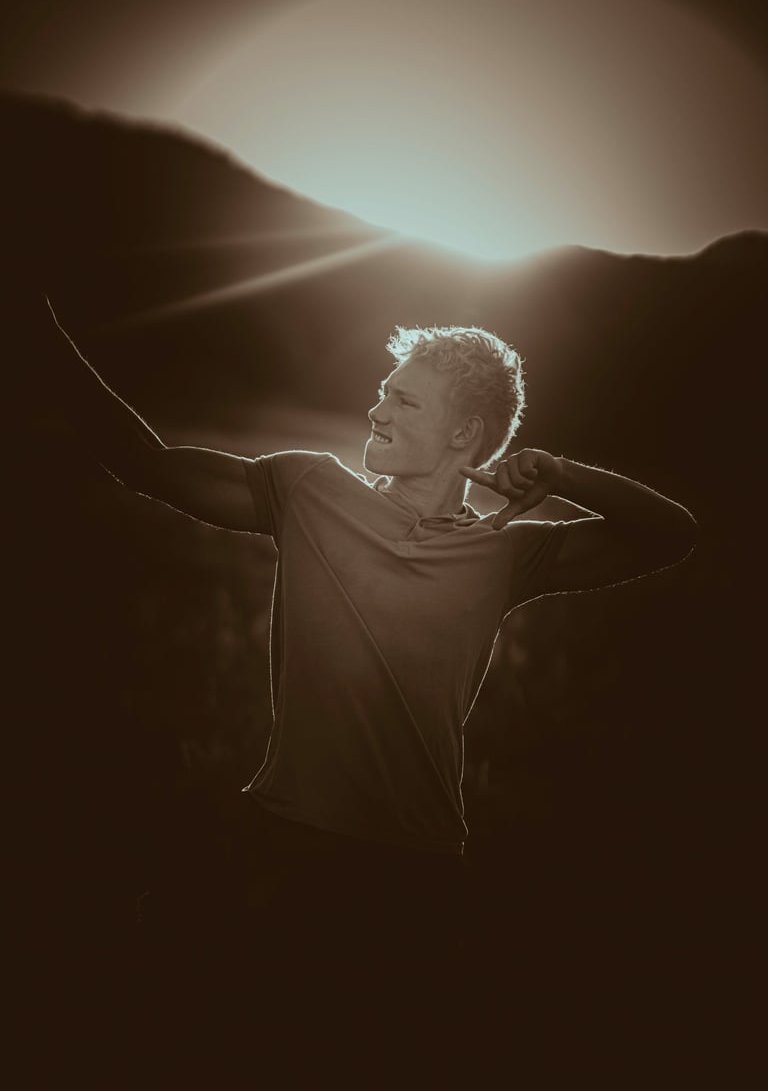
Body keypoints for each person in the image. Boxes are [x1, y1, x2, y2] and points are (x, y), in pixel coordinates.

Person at [36, 297, 695, 1072]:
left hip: (411, 875)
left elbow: (671, 534)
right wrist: (32, 327)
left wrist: (563, 474)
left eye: (404, 400)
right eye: (384, 391)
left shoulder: (506, 556)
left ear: (465, 434)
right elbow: (144, 464)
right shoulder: (309, 490)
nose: (377, 409)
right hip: (275, 847)